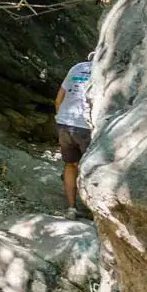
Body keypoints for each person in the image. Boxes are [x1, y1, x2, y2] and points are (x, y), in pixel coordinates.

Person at [55, 58, 94, 216]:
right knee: (91, 167)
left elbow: (58, 99)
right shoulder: (104, 70)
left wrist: (59, 118)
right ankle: (94, 210)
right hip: (86, 126)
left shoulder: (76, 68)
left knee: (70, 164)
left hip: (65, 123)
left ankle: (71, 207)